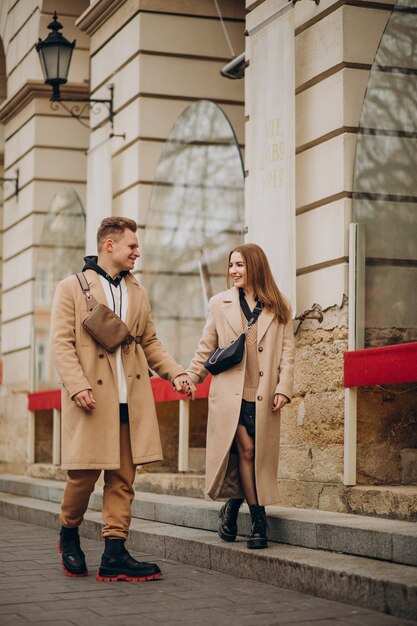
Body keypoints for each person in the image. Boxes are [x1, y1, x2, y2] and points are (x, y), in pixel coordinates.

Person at [50, 216, 195, 581]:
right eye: (132, 245)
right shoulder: (72, 287)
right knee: (82, 476)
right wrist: (77, 384)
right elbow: (61, 344)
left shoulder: (138, 292)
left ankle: (115, 551)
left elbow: (149, 342)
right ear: (109, 245)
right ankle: (69, 531)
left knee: (122, 479)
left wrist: (175, 372)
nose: (137, 252)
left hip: (131, 397)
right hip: (91, 398)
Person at [185, 243, 295, 549]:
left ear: (255, 267)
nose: (233, 271)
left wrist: (284, 388)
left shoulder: (279, 306)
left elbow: (287, 354)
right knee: (246, 451)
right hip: (229, 396)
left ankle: (231, 510)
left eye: (240, 265)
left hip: (262, 397)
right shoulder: (219, 304)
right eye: (231, 265)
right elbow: (206, 347)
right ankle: (260, 522)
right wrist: (191, 377)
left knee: (254, 457)